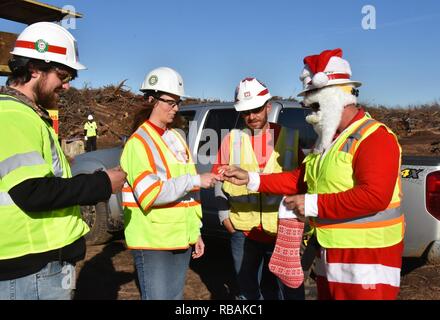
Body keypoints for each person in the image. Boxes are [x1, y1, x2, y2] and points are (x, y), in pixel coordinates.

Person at [221, 48, 404, 300]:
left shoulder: (374, 137)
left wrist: (309, 203)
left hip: (367, 257)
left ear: (335, 97)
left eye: (314, 104)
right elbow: (299, 178)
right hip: (332, 250)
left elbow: (375, 196)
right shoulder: (327, 142)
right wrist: (252, 179)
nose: (310, 112)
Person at [0, 22, 126, 300]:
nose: (67, 85)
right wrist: (102, 184)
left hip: (39, 263)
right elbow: (32, 192)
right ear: (34, 69)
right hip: (31, 268)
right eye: (62, 74)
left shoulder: (28, 116)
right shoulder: (13, 116)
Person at [120, 66, 220, 300]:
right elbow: (149, 194)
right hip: (154, 240)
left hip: (180, 237)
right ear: (151, 100)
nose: (176, 109)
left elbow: (189, 196)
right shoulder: (138, 143)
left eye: (178, 102)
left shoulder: (175, 137)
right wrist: (195, 179)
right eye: (170, 102)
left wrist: (195, 232)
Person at [211, 77, 305, 300]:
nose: (251, 117)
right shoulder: (231, 139)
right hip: (243, 231)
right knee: (248, 291)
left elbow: (303, 182)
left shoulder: (290, 137)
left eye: (256, 110)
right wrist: (225, 217)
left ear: (268, 107)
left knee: (283, 291)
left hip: (281, 231)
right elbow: (218, 179)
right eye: (245, 112)